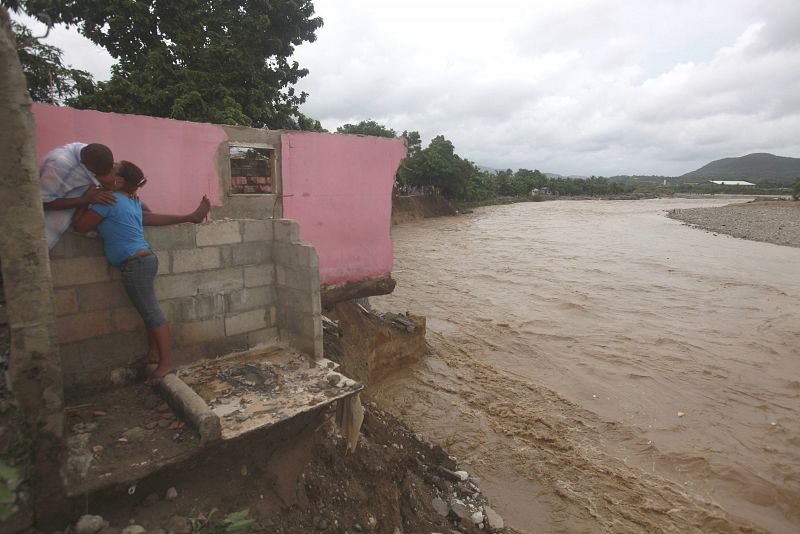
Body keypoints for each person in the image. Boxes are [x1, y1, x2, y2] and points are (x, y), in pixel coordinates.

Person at [73, 161, 210, 384]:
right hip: (144, 260)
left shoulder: (107, 201)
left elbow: (80, 226)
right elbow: (147, 216)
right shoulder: (129, 200)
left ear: (118, 181)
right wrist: (134, 194)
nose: (106, 173)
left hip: (135, 263)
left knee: (152, 313)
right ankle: (154, 355)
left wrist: (88, 199)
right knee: (148, 311)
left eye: (112, 171)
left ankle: (165, 365)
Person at [40, 142, 120, 249]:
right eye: (97, 174)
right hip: (42, 229)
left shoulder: (91, 154)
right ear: (84, 164)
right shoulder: (59, 166)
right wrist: (88, 199)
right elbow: (43, 202)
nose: (98, 178)